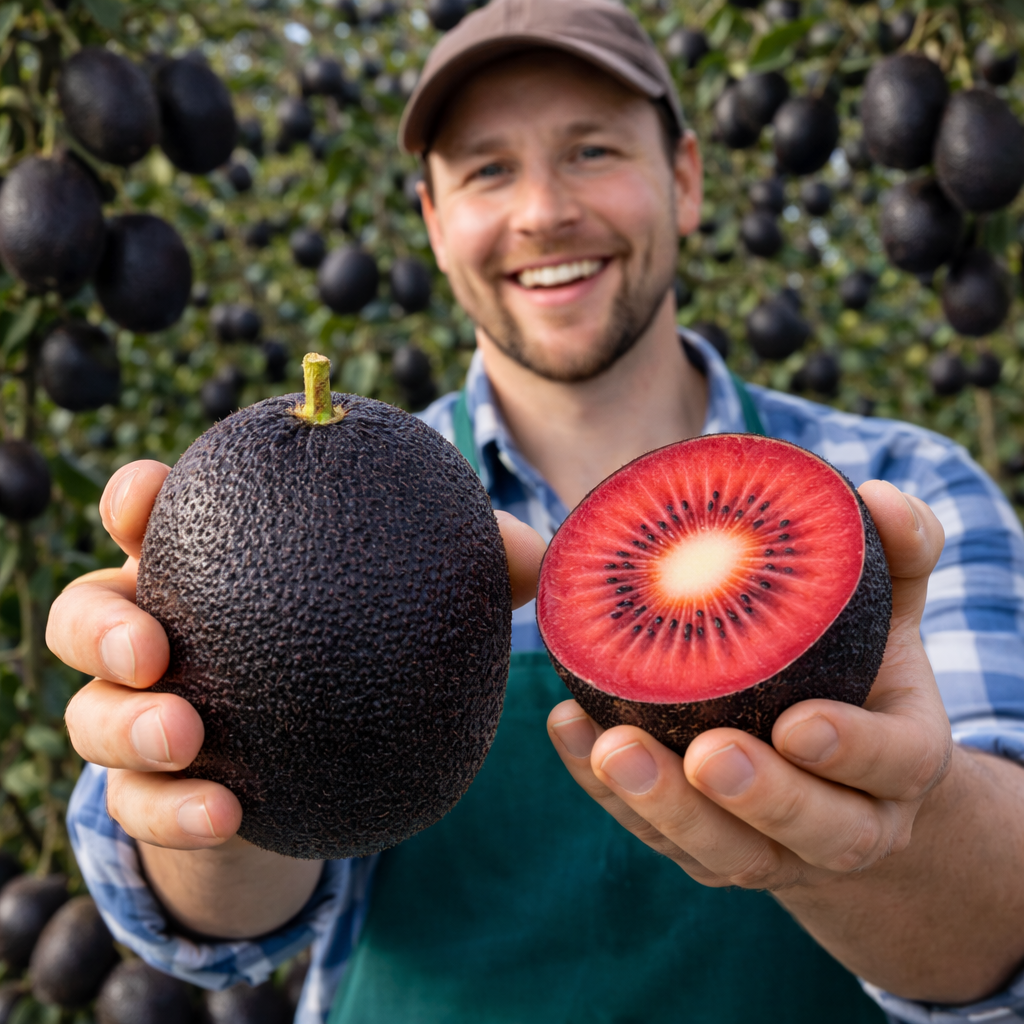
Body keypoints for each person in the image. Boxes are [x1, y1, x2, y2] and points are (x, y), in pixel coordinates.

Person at [49, 1, 1024, 1022]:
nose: (542, 210)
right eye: (486, 169)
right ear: (432, 222)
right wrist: (200, 767)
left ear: (683, 179)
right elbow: (211, 936)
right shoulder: (299, 503)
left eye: (591, 149)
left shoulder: (907, 492)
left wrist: (888, 840)